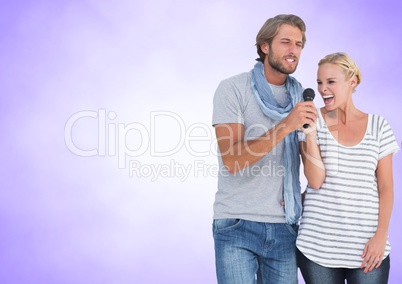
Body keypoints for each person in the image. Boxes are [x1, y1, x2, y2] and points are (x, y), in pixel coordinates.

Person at [211, 14, 317, 284]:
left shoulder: (301, 98)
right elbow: (232, 160)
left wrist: (300, 198)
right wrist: (286, 124)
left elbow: (313, 166)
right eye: (285, 42)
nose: (294, 50)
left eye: (299, 44)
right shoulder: (233, 88)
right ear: (264, 46)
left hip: (285, 227)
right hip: (237, 223)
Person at [296, 52, 399, 284]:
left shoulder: (378, 126)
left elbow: (385, 186)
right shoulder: (309, 122)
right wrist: (310, 134)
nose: (323, 89)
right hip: (318, 246)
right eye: (319, 82)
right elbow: (314, 180)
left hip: (367, 247)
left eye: (331, 82)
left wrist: (381, 235)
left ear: (352, 82)